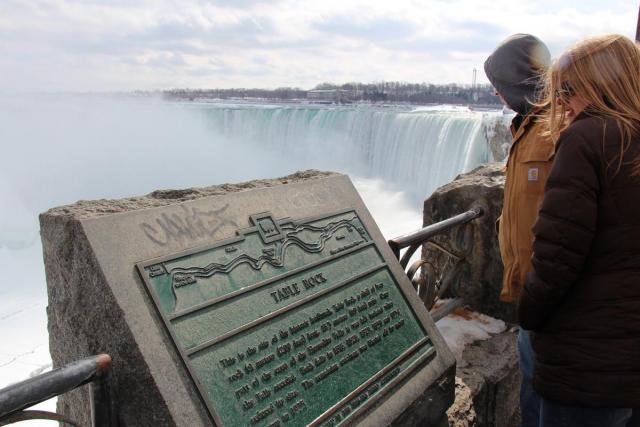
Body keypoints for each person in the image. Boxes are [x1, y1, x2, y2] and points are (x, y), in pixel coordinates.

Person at [518, 34, 640, 427]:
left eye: (567, 89)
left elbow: (558, 255)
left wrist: (529, 314)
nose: (560, 102)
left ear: (603, 84)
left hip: (589, 358)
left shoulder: (588, 138)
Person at [484, 33, 552, 427]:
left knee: (545, 397)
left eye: (499, 87)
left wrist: (546, 292)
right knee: (533, 389)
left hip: (553, 299)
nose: (497, 95)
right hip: (532, 291)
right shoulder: (525, 128)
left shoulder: (558, 132)